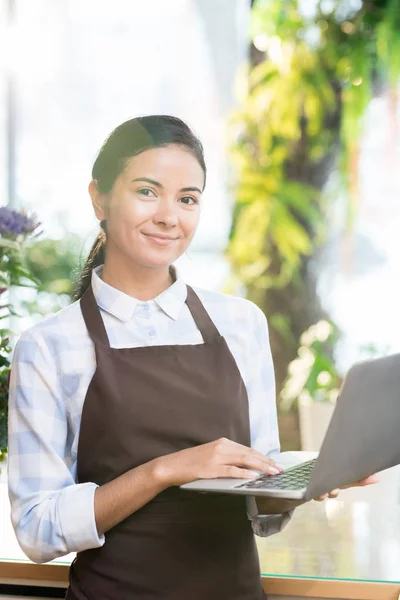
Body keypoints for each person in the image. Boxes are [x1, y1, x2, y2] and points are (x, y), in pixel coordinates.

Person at [8, 116, 377, 600]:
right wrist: (164, 470)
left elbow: (257, 491)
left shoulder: (241, 323)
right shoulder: (49, 346)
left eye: (187, 198)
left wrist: (303, 481)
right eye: (147, 191)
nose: (169, 216)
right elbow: (36, 529)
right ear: (99, 197)